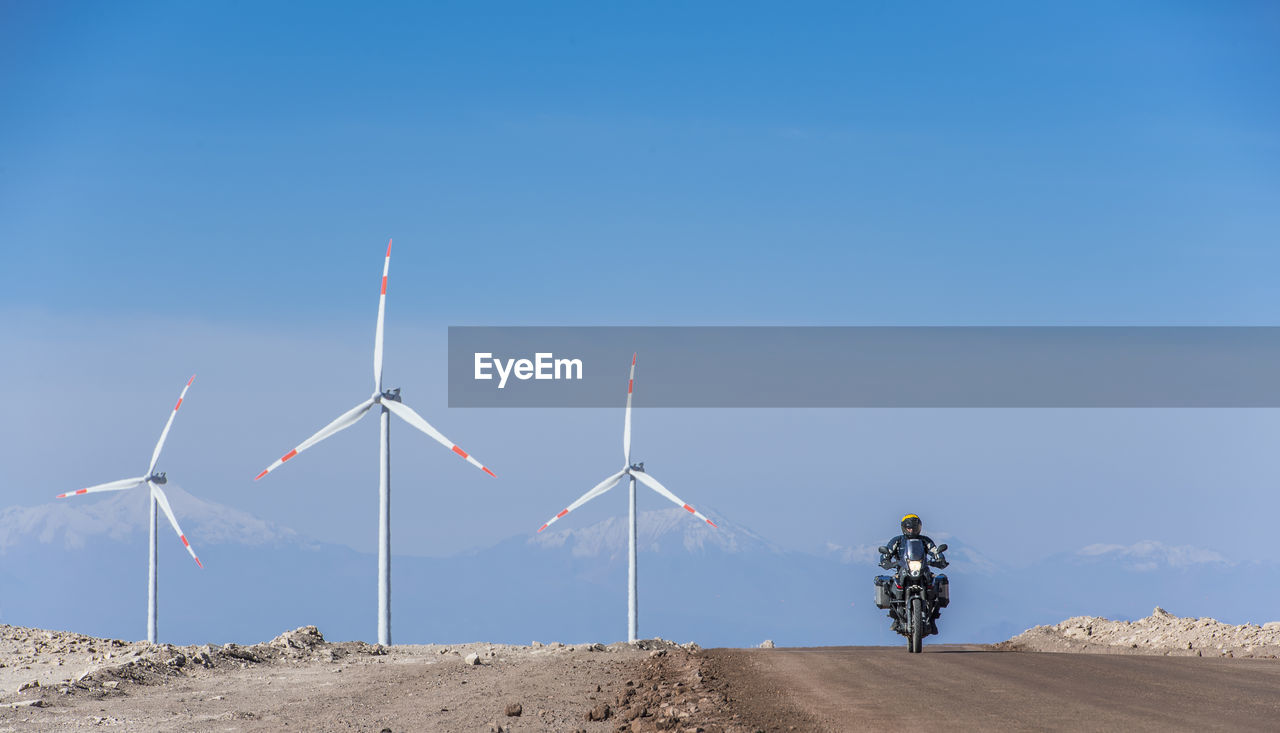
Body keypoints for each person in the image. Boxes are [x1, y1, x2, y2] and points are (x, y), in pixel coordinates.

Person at [878, 514, 948, 634]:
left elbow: (934, 551)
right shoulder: (898, 540)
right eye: (909, 528)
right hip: (903, 570)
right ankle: (895, 616)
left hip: (922, 569)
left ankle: (932, 620)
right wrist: (885, 561)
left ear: (919, 528)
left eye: (914, 528)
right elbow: (887, 552)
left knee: (935, 586)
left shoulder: (925, 540)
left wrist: (940, 558)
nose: (911, 530)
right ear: (904, 528)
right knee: (892, 587)